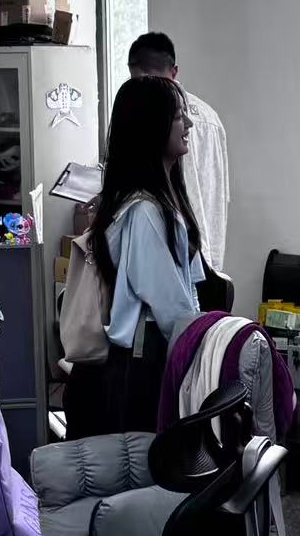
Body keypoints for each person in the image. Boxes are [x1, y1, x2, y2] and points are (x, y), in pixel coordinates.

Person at [90, 76, 206, 434]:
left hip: (158, 352)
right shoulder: (144, 212)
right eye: (179, 116)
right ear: (151, 127)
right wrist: (210, 346)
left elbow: (190, 286)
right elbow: (171, 306)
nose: (188, 124)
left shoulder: (165, 203)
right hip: (147, 361)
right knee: (152, 459)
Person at [130, 32, 229, 273]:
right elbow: (222, 194)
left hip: (179, 252)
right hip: (203, 252)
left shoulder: (151, 119)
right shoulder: (210, 117)